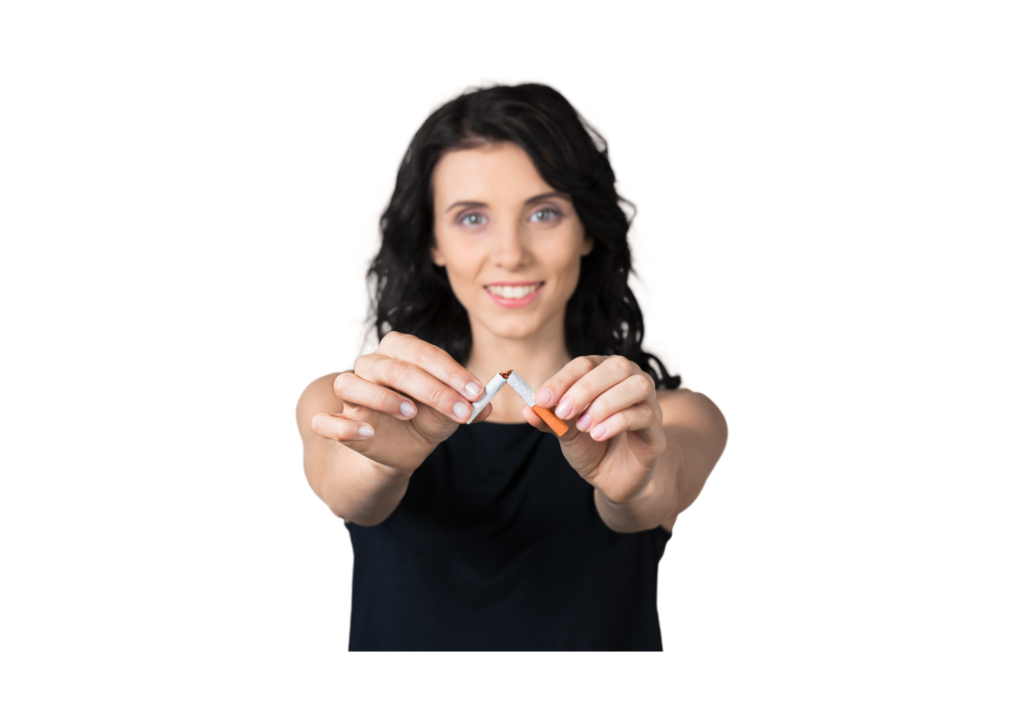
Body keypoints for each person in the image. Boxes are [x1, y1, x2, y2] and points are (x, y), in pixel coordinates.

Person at [295, 83, 728, 651]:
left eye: (544, 213)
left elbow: (654, 492)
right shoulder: (353, 400)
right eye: (472, 217)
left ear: (587, 230)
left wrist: (634, 484)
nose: (511, 254)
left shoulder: (666, 418)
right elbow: (346, 493)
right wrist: (377, 464)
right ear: (432, 241)